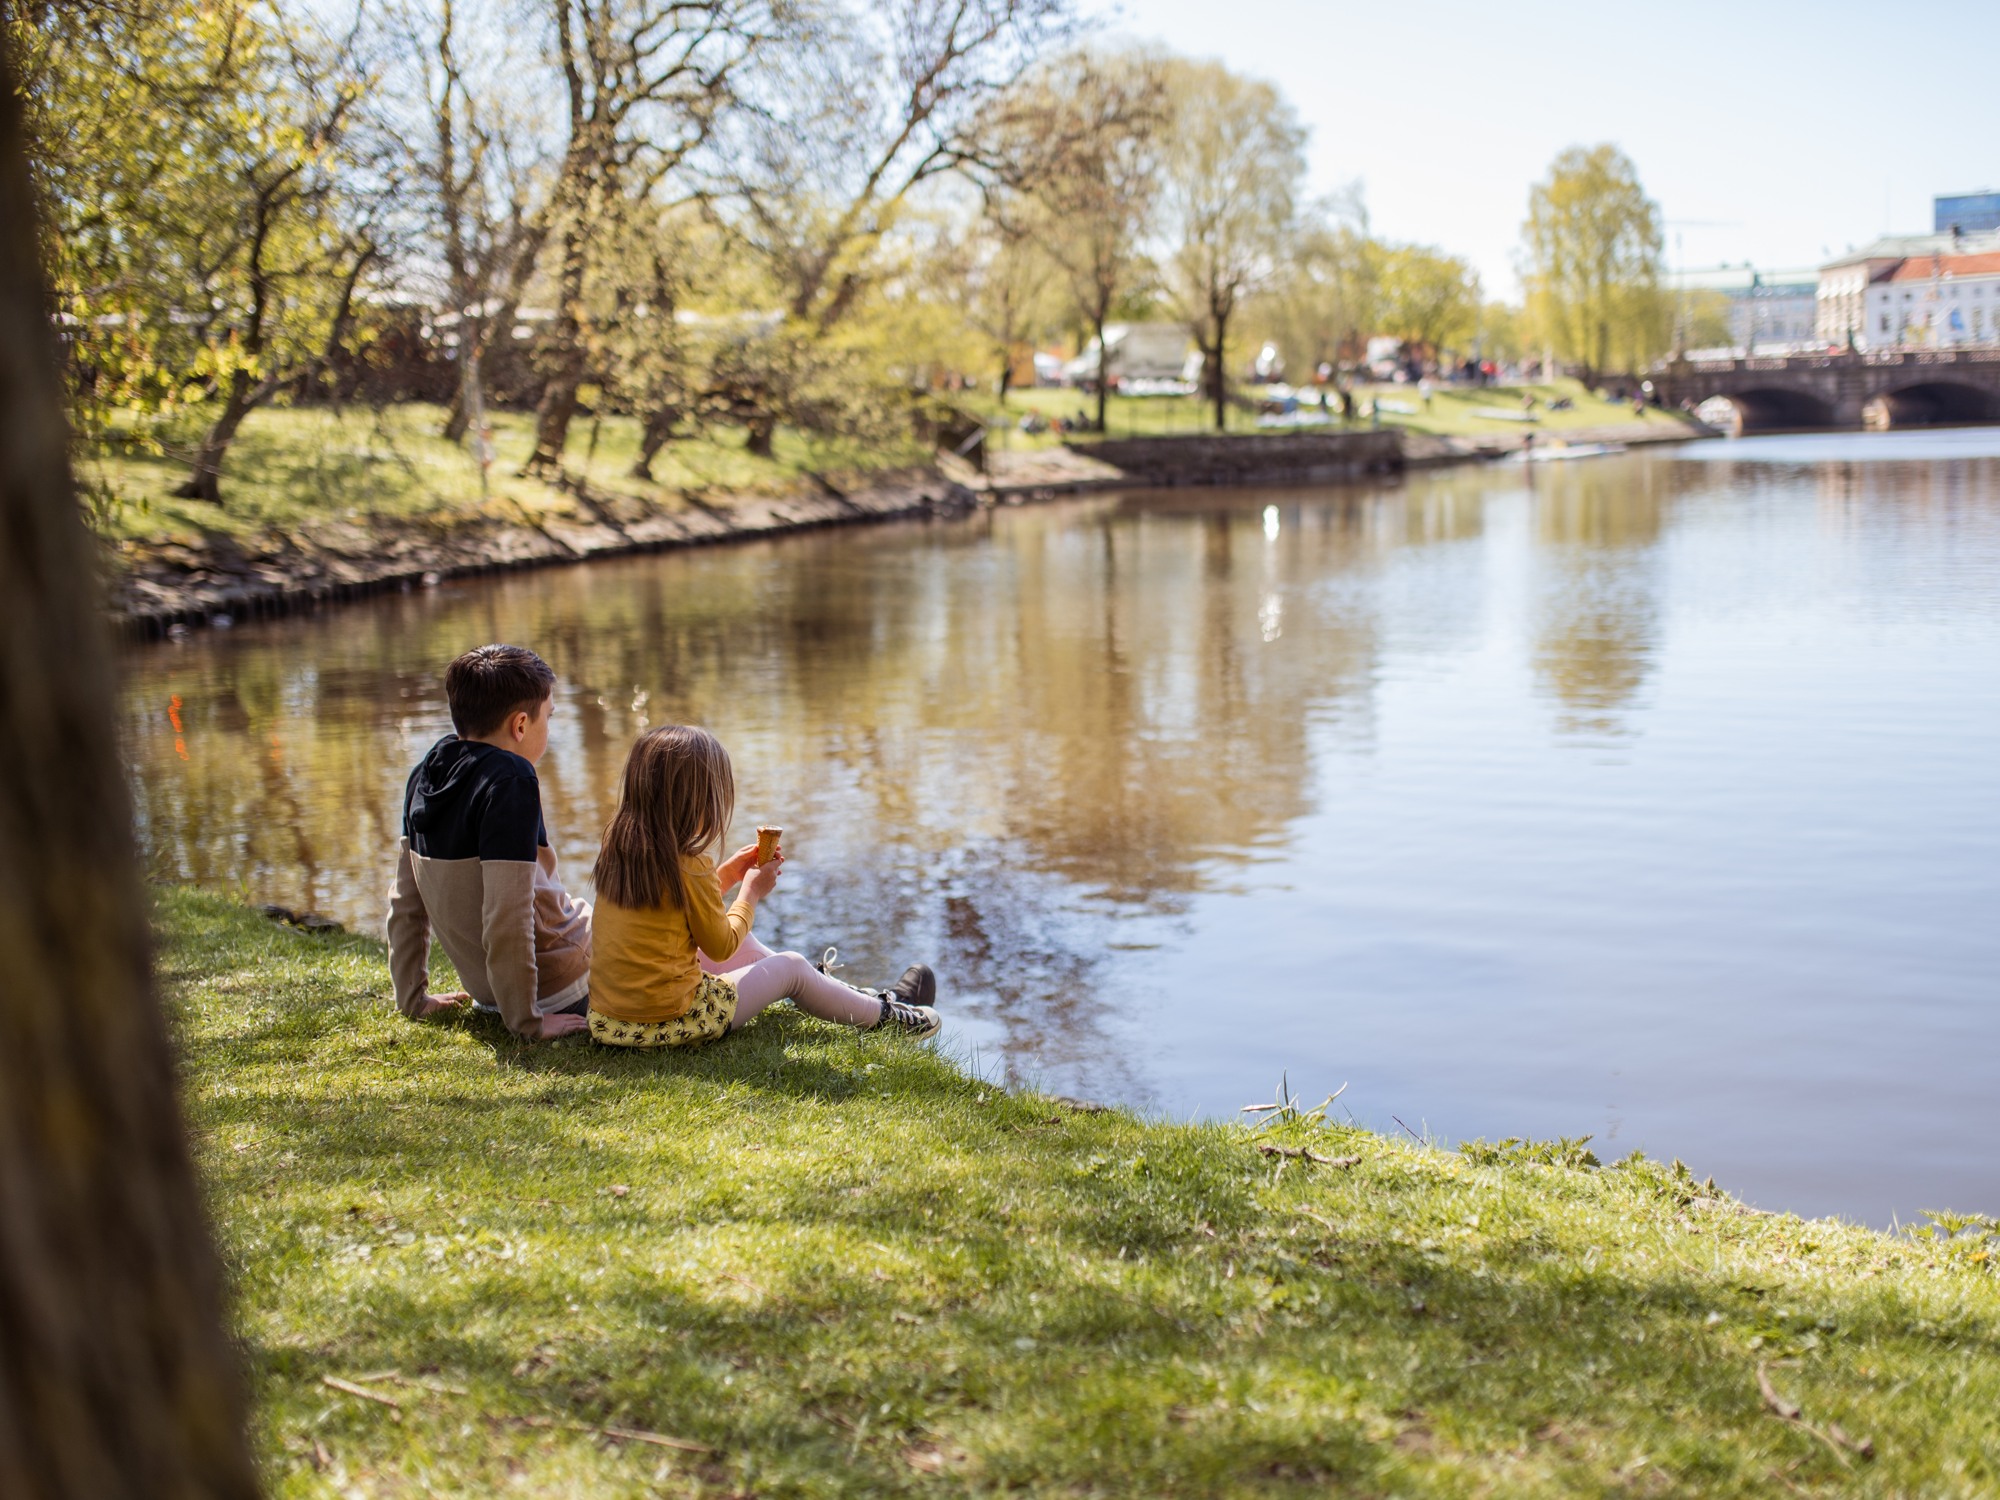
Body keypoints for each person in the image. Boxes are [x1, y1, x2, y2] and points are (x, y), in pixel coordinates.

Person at [587, 724, 939, 1049]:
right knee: (791, 967)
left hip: (610, 1021)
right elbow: (722, 945)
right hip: (672, 1022)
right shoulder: (689, 866)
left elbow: (670, 911)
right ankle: (888, 1019)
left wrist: (726, 874)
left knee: (752, 947)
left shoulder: (619, 850)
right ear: (697, 801)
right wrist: (750, 892)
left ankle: (844, 995)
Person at [387, 644, 592, 1039]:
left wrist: (413, 998)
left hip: (488, 992)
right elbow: (507, 914)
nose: (549, 728)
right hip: (556, 989)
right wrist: (526, 1021)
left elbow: (405, 902)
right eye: (547, 717)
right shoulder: (511, 781)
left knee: (586, 910)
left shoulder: (425, 774)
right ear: (520, 725)